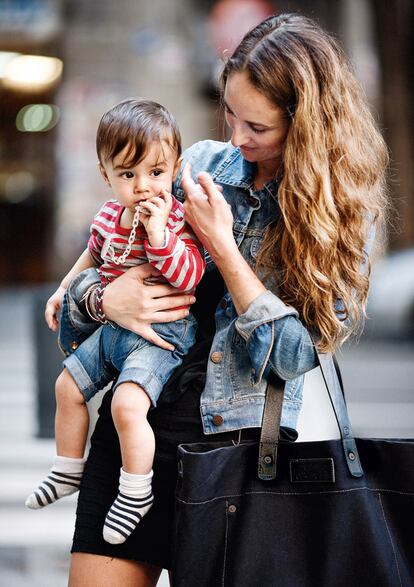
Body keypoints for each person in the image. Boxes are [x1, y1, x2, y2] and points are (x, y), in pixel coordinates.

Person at [67, 13, 388, 586]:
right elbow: (98, 269)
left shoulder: (342, 218)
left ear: (308, 125)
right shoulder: (198, 167)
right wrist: (101, 300)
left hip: (237, 456)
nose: (236, 138)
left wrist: (223, 247)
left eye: (257, 127)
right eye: (230, 115)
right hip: (137, 427)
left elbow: (294, 356)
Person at [25, 99, 205, 545]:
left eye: (156, 173)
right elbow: (92, 252)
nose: (143, 186)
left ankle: (135, 492)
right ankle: (68, 469)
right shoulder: (108, 216)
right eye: (128, 174)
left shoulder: (178, 220)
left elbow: (190, 276)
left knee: (128, 407)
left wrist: (160, 235)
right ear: (107, 176)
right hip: (112, 331)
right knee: (66, 388)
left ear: (174, 168)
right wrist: (64, 289)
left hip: (160, 336)